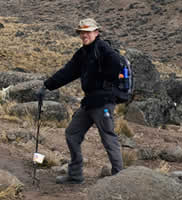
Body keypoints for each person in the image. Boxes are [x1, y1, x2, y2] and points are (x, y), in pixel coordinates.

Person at [37, 18, 123, 184]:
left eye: (88, 32)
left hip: (103, 102)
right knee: (72, 133)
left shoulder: (103, 49)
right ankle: (75, 174)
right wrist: (46, 86)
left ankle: (119, 179)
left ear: (96, 32)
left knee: (108, 138)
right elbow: (67, 72)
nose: (85, 35)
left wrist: (106, 88)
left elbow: (117, 67)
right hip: (89, 102)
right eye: (82, 32)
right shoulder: (82, 53)